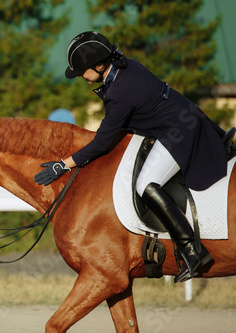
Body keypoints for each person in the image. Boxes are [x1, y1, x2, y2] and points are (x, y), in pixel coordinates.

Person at [34, 31, 228, 283]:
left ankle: (191, 249)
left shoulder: (120, 91)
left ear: (100, 65)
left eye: (82, 70)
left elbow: (103, 143)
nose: (81, 76)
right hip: (183, 120)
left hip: (180, 132)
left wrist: (63, 165)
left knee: (146, 184)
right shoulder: (126, 67)